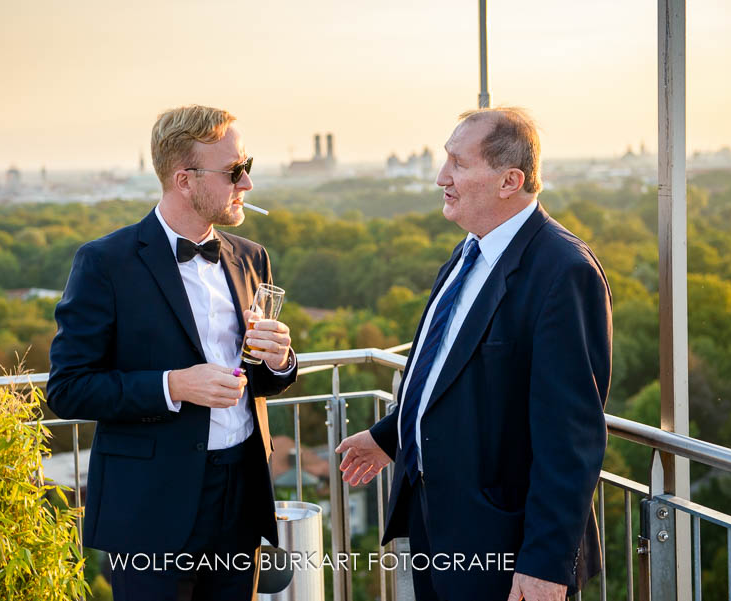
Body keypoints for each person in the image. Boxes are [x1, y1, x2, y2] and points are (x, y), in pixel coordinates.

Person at [336, 107, 611, 601]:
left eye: (458, 164)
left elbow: (571, 439)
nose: (441, 177)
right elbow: (445, 371)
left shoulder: (564, 272)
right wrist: (390, 436)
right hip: (438, 527)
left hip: (504, 549)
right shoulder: (469, 251)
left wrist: (545, 565)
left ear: (510, 180)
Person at [47, 105, 297, 601]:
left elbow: (263, 377)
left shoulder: (252, 255)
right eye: (234, 171)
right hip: (149, 505)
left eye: (248, 166)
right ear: (184, 179)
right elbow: (68, 389)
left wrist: (278, 361)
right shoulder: (104, 263)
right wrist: (174, 386)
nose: (246, 184)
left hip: (240, 496)